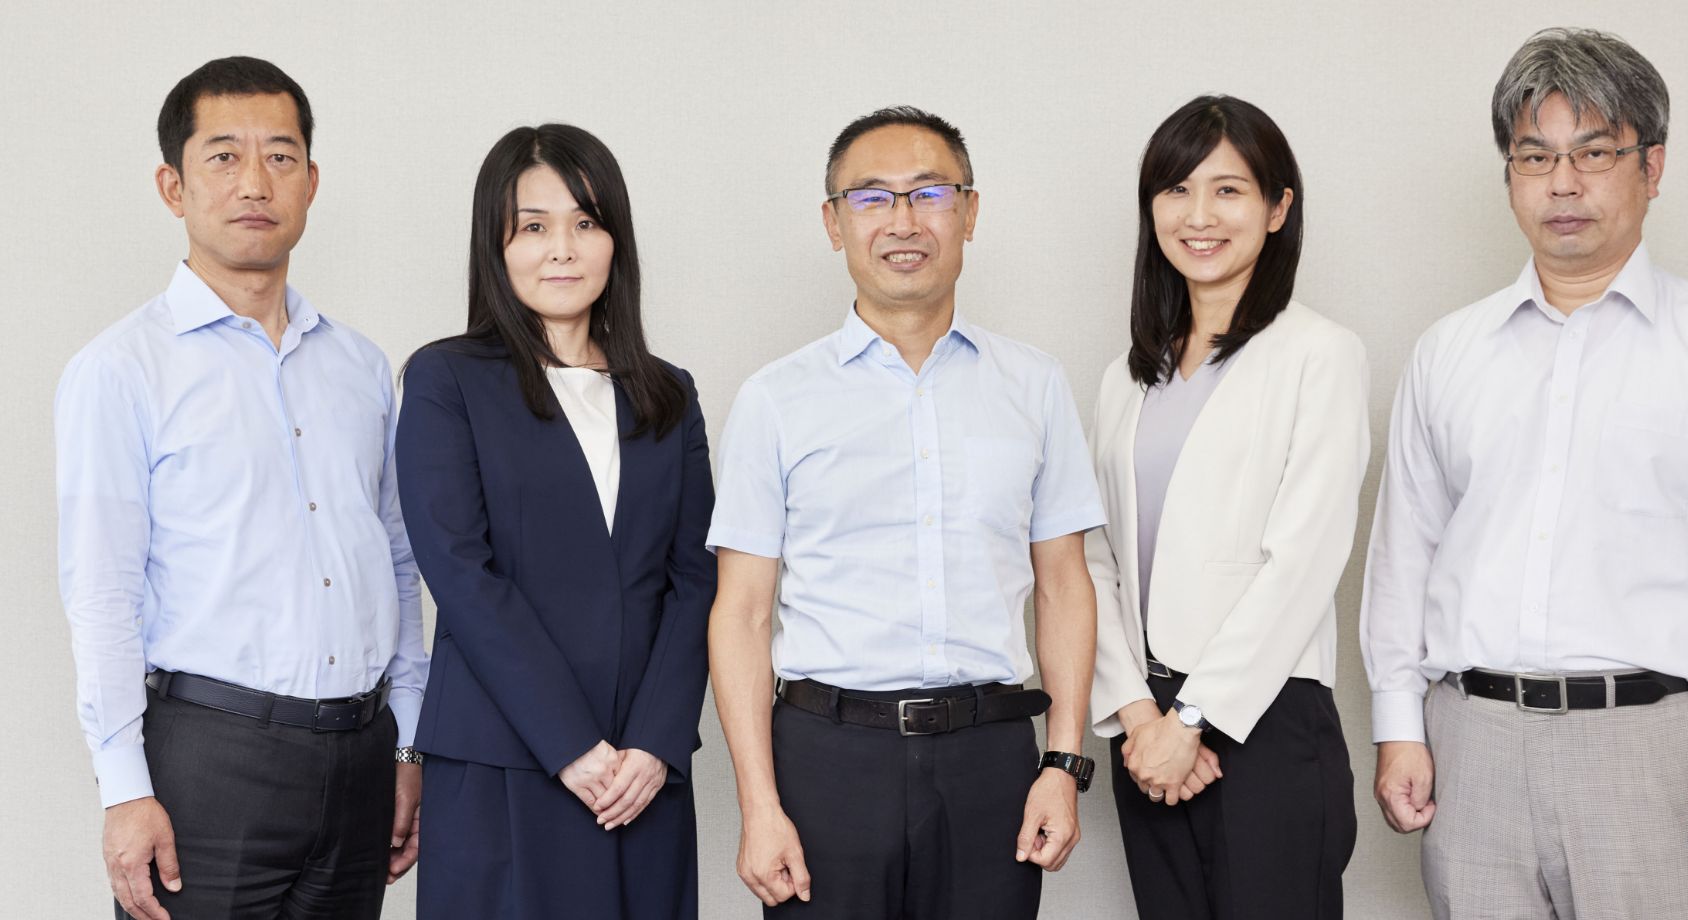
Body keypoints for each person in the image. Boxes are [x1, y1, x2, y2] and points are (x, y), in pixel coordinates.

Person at [1360, 27, 1688, 920]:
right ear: (1510, 176)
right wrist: (1397, 725)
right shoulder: (1449, 352)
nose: (1562, 184)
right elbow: (1402, 555)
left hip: (1655, 750)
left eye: (1593, 152)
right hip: (1471, 744)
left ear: (1651, 167)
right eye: (1535, 156)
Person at [706, 105, 1106, 920]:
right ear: (833, 222)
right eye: (871, 198)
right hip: (827, 759)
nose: (902, 220)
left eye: (929, 193)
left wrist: (1062, 766)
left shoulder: (1034, 387)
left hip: (991, 756)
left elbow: (1065, 586)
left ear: (969, 211)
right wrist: (758, 806)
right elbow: (741, 613)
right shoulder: (776, 399)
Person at [54, 56, 428, 920]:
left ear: (311, 180)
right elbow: (102, 592)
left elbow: (398, 566)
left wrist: (409, 745)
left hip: (362, 757)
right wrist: (123, 791)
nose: (255, 181)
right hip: (208, 763)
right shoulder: (120, 370)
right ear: (171, 184)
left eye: (281, 156)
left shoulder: (362, 367)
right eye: (223, 155)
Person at [394, 123, 715, 919]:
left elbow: (696, 578)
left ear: (616, 241)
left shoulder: (669, 395)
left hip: (643, 772)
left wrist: (657, 742)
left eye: (586, 222)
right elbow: (462, 575)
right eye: (533, 227)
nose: (562, 249)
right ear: (495, 246)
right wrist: (571, 745)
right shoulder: (446, 380)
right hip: (502, 758)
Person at [1085, 94, 1366, 919]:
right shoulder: (1125, 378)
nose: (1198, 215)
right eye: (1175, 190)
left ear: (1279, 208)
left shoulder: (1320, 355)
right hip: (1149, 733)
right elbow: (1093, 562)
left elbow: (1304, 562)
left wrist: (1195, 720)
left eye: (1229, 190)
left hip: (1267, 723)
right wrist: (1143, 718)